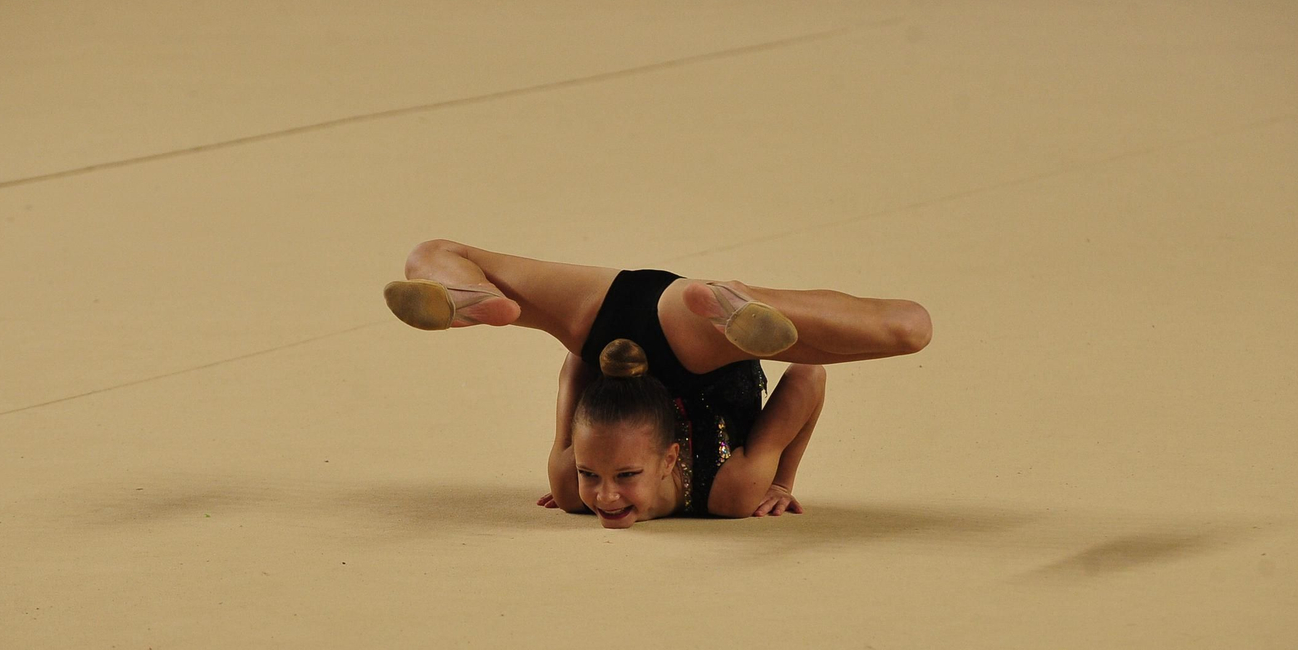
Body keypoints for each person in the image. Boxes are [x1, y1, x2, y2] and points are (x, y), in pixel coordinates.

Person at [384, 240, 931, 528]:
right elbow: (807, 376)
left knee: (909, 329)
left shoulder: (577, 492)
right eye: (595, 476)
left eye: (617, 475)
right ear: (670, 459)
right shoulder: (722, 491)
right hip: (657, 322)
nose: (603, 494)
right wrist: (780, 478)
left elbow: (578, 364)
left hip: (641, 333)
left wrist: (781, 479)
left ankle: (736, 298)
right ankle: (475, 298)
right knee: (908, 328)